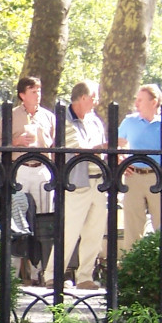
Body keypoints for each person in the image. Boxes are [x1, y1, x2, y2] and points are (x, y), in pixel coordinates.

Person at [53, 80, 107, 290]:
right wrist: (106, 147)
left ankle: (85, 276)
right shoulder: (64, 118)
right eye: (94, 97)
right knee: (69, 231)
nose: (96, 101)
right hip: (77, 182)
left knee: (94, 232)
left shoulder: (95, 121)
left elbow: (100, 150)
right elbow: (78, 150)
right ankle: (53, 274)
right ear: (83, 97)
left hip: (99, 182)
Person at [118, 83, 162, 252]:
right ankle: (130, 269)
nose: (136, 104)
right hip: (133, 177)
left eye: (140, 100)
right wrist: (121, 159)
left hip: (159, 177)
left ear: (154, 102)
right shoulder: (129, 122)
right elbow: (115, 147)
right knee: (133, 226)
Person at [0, 76, 56, 214]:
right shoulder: (10, 116)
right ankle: (20, 236)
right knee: (17, 212)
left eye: (39, 91)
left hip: (42, 169)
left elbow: (57, 146)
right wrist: (15, 142)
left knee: (44, 213)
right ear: (22, 95)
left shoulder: (49, 117)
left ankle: (42, 236)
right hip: (19, 169)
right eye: (33, 91)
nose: (38, 94)